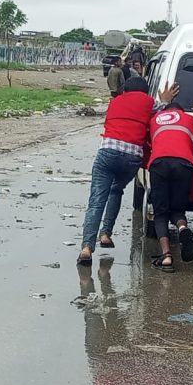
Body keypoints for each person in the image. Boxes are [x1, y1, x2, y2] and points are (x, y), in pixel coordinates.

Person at [78, 77, 178, 266]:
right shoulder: (149, 102)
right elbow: (162, 112)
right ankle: (106, 233)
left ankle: (87, 247)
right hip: (132, 157)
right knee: (116, 189)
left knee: (97, 200)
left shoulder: (114, 102)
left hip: (108, 152)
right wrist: (165, 100)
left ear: (125, 90)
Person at [146, 102, 193, 272]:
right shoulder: (190, 119)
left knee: (160, 213)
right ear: (181, 111)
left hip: (159, 162)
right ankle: (183, 228)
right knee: (177, 209)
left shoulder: (155, 119)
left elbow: (149, 144)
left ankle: (167, 256)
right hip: (183, 163)